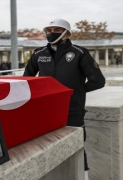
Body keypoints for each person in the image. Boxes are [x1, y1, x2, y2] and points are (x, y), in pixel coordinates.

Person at [23, 18, 105, 179]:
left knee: (77, 147)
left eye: (57, 30)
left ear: (67, 33)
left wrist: (76, 93)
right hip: (46, 112)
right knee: (46, 148)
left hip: (73, 111)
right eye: (49, 30)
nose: (51, 33)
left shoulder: (79, 53)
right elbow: (27, 80)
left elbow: (98, 81)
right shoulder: (39, 54)